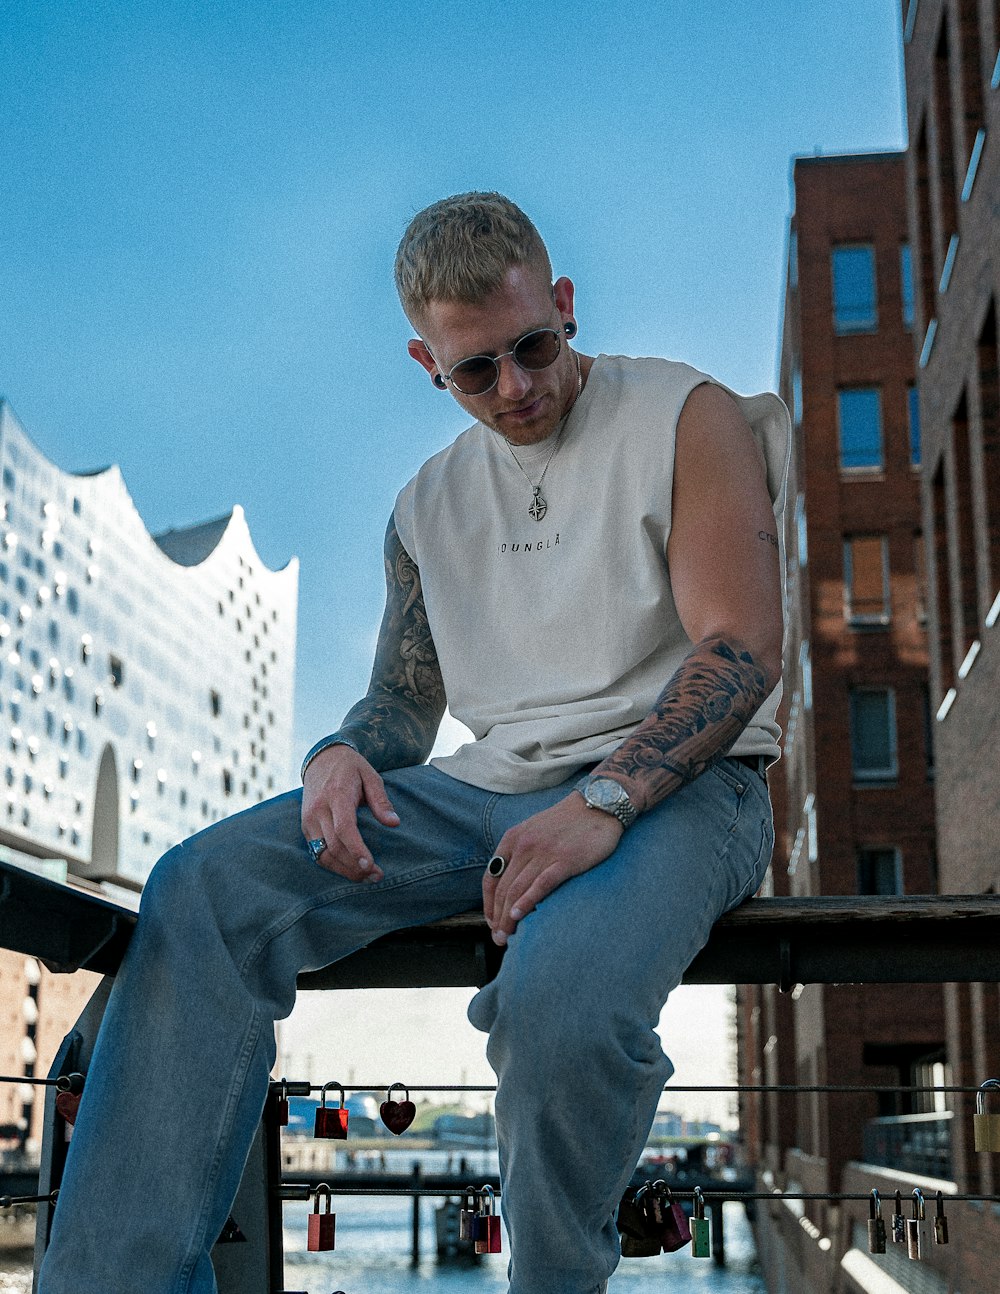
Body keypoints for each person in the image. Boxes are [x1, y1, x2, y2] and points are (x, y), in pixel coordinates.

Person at [39, 192, 789, 1294]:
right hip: (486, 791)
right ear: (425, 363)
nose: (516, 386)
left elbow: (739, 649)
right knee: (203, 885)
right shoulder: (426, 503)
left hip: (686, 786)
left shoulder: (687, 415)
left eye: (533, 346)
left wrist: (605, 804)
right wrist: (340, 754)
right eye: (475, 369)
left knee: (559, 998)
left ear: (565, 304)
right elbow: (402, 710)